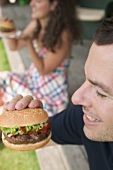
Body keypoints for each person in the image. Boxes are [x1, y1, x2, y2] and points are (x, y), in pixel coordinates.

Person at [0, 0, 80, 116]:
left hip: (49, 91)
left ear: (53, 5)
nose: (31, 4)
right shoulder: (37, 24)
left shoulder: (64, 35)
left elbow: (43, 69)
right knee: (3, 78)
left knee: (19, 101)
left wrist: (29, 44)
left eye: (38, 1)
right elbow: (15, 46)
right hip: (32, 79)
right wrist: (9, 31)